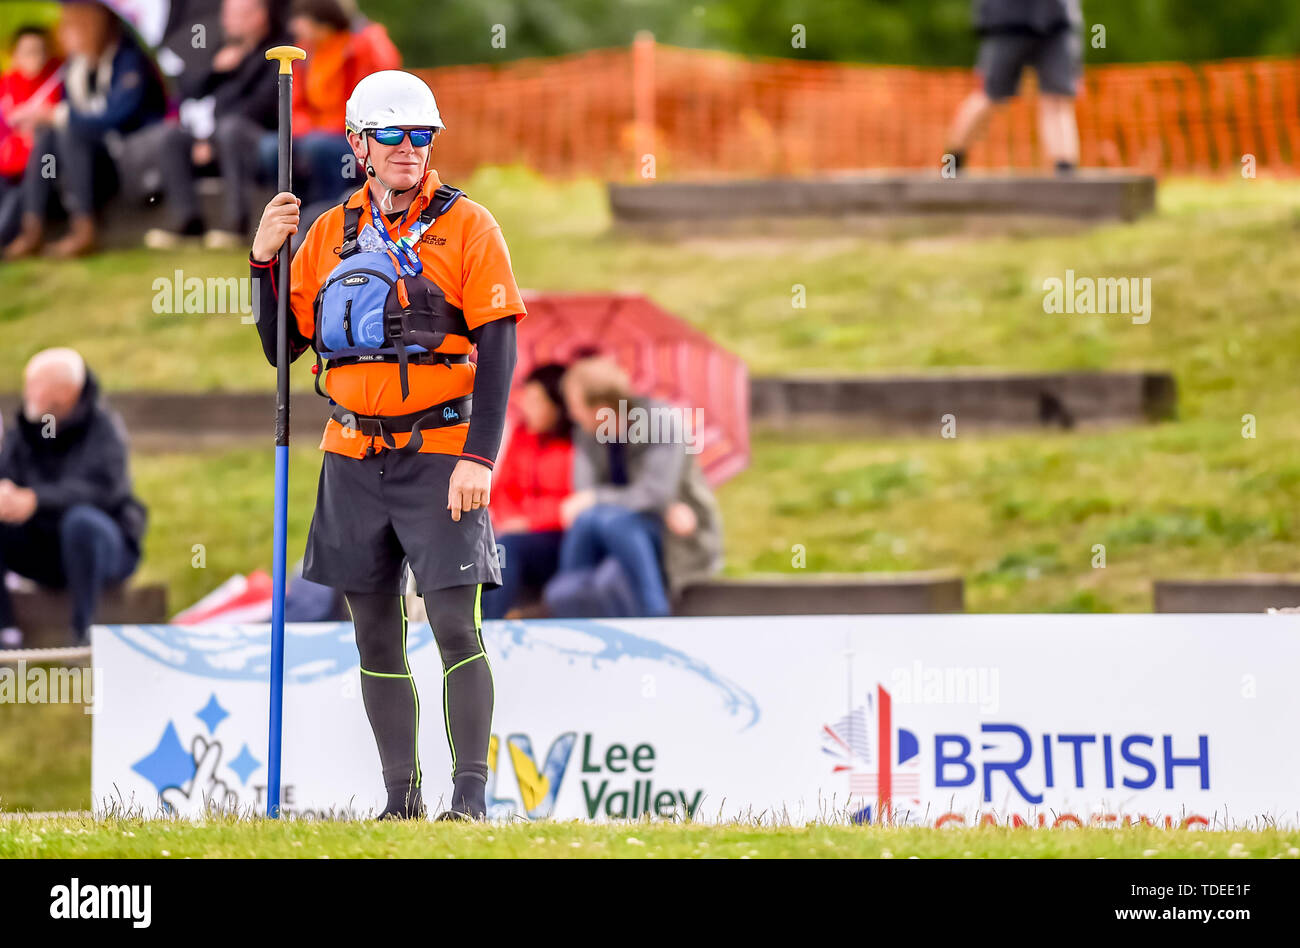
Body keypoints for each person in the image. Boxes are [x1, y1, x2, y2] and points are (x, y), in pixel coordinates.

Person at [248, 69, 525, 821]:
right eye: (392, 135)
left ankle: (469, 800)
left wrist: (480, 456)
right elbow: (284, 348)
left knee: (453, 625)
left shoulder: (471, 226)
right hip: (351, 455)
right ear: (359, 145)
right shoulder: (329, 233)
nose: (409, 149)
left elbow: (499, 349)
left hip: (441, 455)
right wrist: (261, 264)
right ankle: (399, 801)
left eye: (421, 136)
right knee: (374, 633)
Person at [550, 356, 722, 618]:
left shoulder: (659, 421)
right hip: (612, 532)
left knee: (610, 524)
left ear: (601, 407)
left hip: (671, 533)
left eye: (575, 406)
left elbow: (654, 494)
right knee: (594, 526)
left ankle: (654, 612)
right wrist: (598, 501)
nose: (571, 414)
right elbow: (583, 493)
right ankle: (566, 601)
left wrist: (597, 498)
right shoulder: (586, 432)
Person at [0, 349, 147, 650]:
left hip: (103, 550)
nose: (27, 391)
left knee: (81, 522)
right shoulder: (25, 430)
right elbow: (9, 477)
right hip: (44, 550)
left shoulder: (103, 430)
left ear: (66, 392)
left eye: (35, 384)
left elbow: (103, 492)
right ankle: (6, 633)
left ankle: (83, 635)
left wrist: (37, 500)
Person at [4, 0, 166, 259]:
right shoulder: (76, 68)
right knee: (48, 136)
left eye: (72, 26)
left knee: (70, 131)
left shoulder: (129, 61)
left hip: (126, 154)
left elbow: (117, 116)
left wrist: (56, 114)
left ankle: (85, 227)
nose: (64, 33)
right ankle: (32, 228)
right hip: (87, 157)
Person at [135, 0, 286, 249]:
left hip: (255, 140)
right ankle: (187, 220)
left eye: (236, 15)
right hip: (214, 138)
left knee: (231, 130)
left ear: (260, 16)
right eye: (227, 15)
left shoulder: (275, 52)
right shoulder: (218, 49)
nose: (227, 22)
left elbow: (262, 107)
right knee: (171, 138)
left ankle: (236, 223)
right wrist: (216, 69)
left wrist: (211, 139)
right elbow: (188, 89)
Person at [944, 0, 1083, 176]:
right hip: (1007, 22)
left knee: (1057, 98)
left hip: (1056, 20)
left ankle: (1066, 170)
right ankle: (953, 158)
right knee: (989, 95)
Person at [481, 363, 574, 620]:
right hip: (515, 531)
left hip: (558, 538)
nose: (526, 407)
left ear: (557, 405)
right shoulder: (521, 435)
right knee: (490, 545)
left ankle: (492, 626)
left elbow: (574, 501)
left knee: (506, 548)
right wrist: (512, 520)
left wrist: (529, 521)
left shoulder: (578, 444)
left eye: (536, 400)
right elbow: (502, 491)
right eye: (526, 398)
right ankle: (476, 625)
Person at [0, 25, 62, 246]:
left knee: (21, 195)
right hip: (9, 165)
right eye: (28, 51)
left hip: (46, 165)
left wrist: (45, 118)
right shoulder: (6, 84)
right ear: (14, 54)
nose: (35, 57)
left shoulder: (59, 78)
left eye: (40, 50)